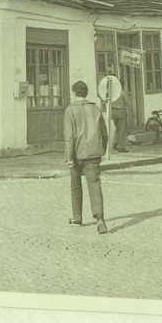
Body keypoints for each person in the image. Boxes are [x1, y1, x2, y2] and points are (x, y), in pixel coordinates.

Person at [64, 80, 109, 234]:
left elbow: (69, 137)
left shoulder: (70, 110)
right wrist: (102, 150)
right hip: (93, 153)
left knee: (75, 185)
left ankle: (77, 218)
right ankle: (100, 220)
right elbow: (104, 133)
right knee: (95, 185)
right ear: (86, 93)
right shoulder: (95, 109)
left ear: (74, 93)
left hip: (77, 153)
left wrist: (69, 157)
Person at [101, 81, 130, 152]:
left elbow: (103, 102)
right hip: (121, 112)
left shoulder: (110, 93)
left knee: (115, 129)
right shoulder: (122, 92)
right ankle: (121, 146)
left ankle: (115, 143)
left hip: (112, 112)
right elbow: (128, 102)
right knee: (122, 130)